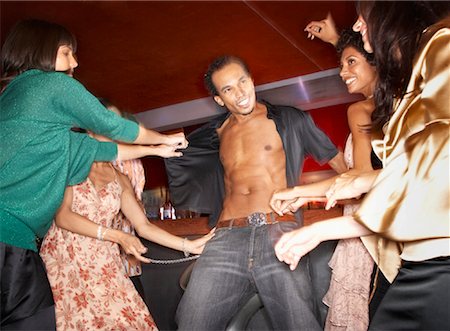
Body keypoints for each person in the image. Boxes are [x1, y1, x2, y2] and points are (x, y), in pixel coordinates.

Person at [0, 19, 187, 330]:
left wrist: (155, 149)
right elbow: (111, 127)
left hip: (18, 243)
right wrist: (163, 138)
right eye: (66, 53)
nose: (75, 62)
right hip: (15, 240)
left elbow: (102, 150)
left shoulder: (20, 106)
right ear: (41, 51)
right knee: (35, 320)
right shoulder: (48, 84)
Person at [273, 2, 450, 330]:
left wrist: (322, 228)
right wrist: (357, 185)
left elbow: (423, 174)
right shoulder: (413, 84)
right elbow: (401, 173)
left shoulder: (442, 45)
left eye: (363, 15)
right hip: (417, 258)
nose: (356, 24)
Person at [165, 55, 347, 330]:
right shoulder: (215, 134)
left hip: (278, 231)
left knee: (299, 324)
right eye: (228, 89)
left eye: (242, 82)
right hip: (226, 237)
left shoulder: (289, 119)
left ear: (251, 80)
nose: (240, 93)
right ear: (218, 99)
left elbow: (344, 169)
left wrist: (315, 194)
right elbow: (171, 151)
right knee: (190, 322)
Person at [271, 23, 386, 330]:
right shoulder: (373, 110)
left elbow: (362, 178)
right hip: (376, 223)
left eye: (351, 63)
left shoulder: (374, 108)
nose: (342, 72)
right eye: (340, 65)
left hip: (384, 225)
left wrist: (303, 193)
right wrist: (301, 192)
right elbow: (360, 177)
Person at [39, 133, 214, 330]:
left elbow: (143, 226)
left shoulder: (119, 178)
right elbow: (63, 217)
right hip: (65, 260)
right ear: (90, 132)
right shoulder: (72, 165)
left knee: (132, 321)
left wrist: (189, 245)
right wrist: (118, 236)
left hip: (103, 262)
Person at [98, 97, 148, 300]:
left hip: (124, 257)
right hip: (88, 261)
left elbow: (137, 215)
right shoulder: (78, 162)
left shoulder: (131, 164)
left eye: (117, 124)